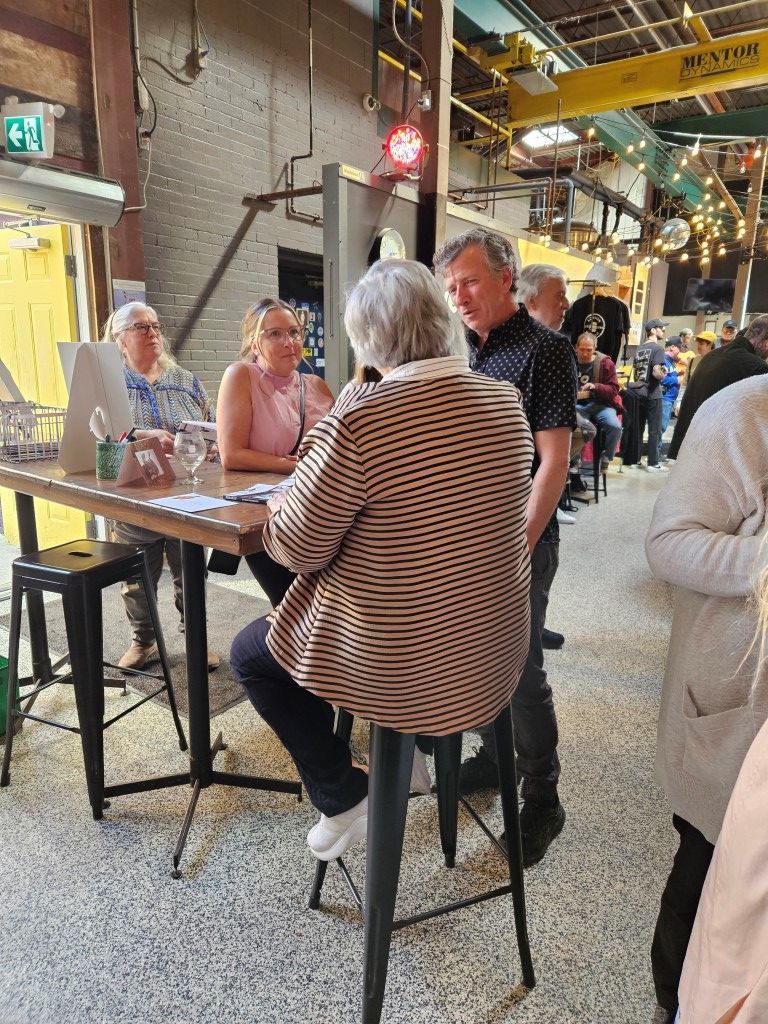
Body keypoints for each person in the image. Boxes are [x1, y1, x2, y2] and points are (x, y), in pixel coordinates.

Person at [230, 259, 534, 861]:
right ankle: (412, 753)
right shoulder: (504, 403)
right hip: (490, 653)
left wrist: (317, 461)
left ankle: (345, 792)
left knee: (251, 655)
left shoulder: (362, 418)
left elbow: (294, 546)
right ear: (442, 321)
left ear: (366, 341)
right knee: (401, 594)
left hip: (407, 667)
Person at [433, 227, 576, 867]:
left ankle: (543, 795)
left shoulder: (544, 350)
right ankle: (495, 759)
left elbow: (554, 461)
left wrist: (515, 547)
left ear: (504, 277)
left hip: (519, 541)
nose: (458, 296)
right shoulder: (458, 349)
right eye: (450, 287)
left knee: (520, 670)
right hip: (463, 537)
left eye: (468, 282)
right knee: (476, 656)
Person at [645, 374, 768, 1024]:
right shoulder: (746, 412)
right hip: (741, 703)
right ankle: (673, 1001)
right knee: (709, 863)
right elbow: (667, 544)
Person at [103, 301, 219, 671]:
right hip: (136, 498)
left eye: (155, 326)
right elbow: (99, 436)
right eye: (141, 327)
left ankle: (195, 639)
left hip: (188, 494)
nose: (152, 333)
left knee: (191, 572)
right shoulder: (110, 386)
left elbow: (214, 425)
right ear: (119, 338)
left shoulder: (186, 380)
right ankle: (144, 641)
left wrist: (212, 444)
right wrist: (139, 435)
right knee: (137, 577)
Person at [216, 298, 334, 605]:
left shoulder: (317, 385)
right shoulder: (242, 376)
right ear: (254, 343)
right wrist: (294, 466)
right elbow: (232, 455)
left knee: (330, 603)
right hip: (269, 516)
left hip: (322, 509)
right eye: (275, 334)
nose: (289, 342)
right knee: (295, 606)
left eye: (294, 333)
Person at [668, 314, 768, 460]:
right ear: (766, 342)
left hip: (689, 449)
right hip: (717, 458)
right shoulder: (755, 367)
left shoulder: (711, 356)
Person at [574, 331, 622, 471]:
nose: (584, 353)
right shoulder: (570, 360)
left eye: (588, 350)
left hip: (601, 404)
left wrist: (595, 386)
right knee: (571, 427)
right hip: (577, 406)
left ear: (595, 348)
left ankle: (607, 457)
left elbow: (614, 389)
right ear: (576, 347)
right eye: (582, 349)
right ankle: (574, 460)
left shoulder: (605, 363)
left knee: (615, 427)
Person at [627, 318, 668, 471]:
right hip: (653, 393)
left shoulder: (639, 349)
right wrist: (663, 374)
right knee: (655, 429)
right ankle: (653, 463)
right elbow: (656, 372)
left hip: (638, 392)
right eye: (661, 328)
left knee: (638, 428)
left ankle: (635, 460)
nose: (663, 331)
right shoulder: (658, 349)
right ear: (652, 330)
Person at [660, 341, 681, 435]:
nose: (680, 351)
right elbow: (662, 379)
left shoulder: (670, 361)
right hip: (665, 399)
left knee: (662, 427)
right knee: (661, 428)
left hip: (670, 399)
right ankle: (655, 449)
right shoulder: (664, 360)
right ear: (672, 347)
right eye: (679, 348)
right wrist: (677, 379)